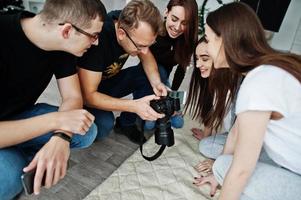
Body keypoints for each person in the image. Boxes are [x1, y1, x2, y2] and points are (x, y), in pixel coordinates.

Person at [193, 2, 301, 199]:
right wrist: (219, 175)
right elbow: (236, 131)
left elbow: (242, 170)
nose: (207, 47)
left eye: (208, 40)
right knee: (223, 165)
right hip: (291, 160)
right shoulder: (271, 66)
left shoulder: (258, 82)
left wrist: (225, 175)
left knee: (230, 170)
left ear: (225, 40)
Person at [0, 0, 106, 199]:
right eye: (94, 35)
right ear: (66, 31)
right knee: (9, 179)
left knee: (85, 130)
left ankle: (18, 153)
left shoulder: (61, 46)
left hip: (17, 116)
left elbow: (73, 96)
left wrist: (61, 137)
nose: (97, 42)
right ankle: (16, 160)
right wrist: (57, 121)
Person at [77, 0, 167, 144]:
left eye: (149, 45)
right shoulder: (98, 40)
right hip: (87, 93)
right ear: (121, 33)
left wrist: (156, 83)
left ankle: (126, 123)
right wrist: (133, 106)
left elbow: (147, 57)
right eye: (140, 46)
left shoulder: (127, 22)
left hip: (108, 83)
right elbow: (89, 96)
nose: (144, 52)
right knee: (103, 127)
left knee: (158, 73)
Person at [143, 0, 198, 131]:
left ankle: (163, 110)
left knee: (178, 123)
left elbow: (181, 69)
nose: (178, 27)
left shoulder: (187, 40)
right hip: (145, 73)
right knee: (148, 125)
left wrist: (172, 95)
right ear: (166, 12)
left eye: (184, 23)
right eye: (174, 19)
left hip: (164, 79)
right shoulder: (153, 30)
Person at [185, 37, 239, 174]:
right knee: (205, 145)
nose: (197, 65)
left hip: (254, 144)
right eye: (197, 59)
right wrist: (206, 135)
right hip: (234, 137)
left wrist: (219, 163)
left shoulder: (239, 87)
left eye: (204, 58)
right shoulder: (213, 81)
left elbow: (244, 136)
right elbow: (209, 109)